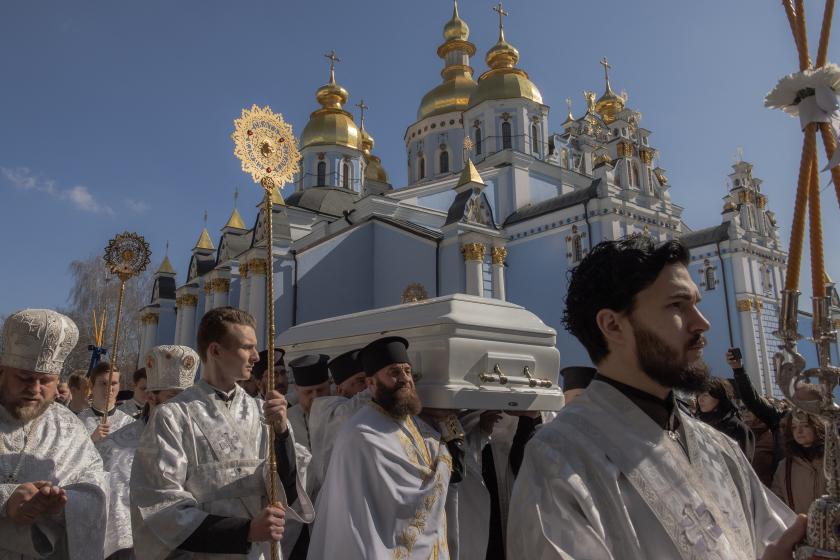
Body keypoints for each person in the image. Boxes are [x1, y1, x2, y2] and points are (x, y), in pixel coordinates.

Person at [507, 236, 801, 559]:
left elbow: (778, 541)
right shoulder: (558, 461)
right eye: (677, 305)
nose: (703, 323)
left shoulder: (719, 448)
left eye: (696, 303)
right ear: (613, 325)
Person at [130, 306, 313, 559]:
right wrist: (245, 531)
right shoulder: (173, 416)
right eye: (247, 347)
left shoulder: (264, 413)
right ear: (215, 350)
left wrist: (282, 434)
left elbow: (289, 489)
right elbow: (161, 505)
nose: (256, 357)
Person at [308, 336, 453, 559]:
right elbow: (367, 516)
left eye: (407, 371)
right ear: (371, 384)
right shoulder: (361, 435)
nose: (405, 379)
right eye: (394, 372)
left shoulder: (409, 421)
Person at [0, 308, 109, 559]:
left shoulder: (68, 428)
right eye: (25, 377)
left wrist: (59, 506)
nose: (35, 389)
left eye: (46, 380)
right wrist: (7, 499)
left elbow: (95, 488)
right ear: (2, 371)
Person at [100, 344, 199, 558]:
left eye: (188, 397)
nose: (184, 405)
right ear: (151, 398)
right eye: (175, 396)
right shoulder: (116, 446)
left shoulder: (198, 441)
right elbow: (115, 512)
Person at [772, 411, 827, 515]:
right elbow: (777, 502)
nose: (799, 431)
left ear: (818, 426)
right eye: (794, 427)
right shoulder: (785, 466)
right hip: (800, 528)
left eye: (805, 426)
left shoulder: (833, 460)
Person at [77, 362, 134, 447]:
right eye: (103, 383)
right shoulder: (78, 421)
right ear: (92, 386)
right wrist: (91, 439)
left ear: (119, 386)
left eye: (114, 383)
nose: (109, 389)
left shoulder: (129, 423)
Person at [696, 377, 755, 459]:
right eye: (699, 394)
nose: (700, 399)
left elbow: (743, 466)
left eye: (705, 395)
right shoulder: (696, 422)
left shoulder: (738, 428)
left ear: (720, 398)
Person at [286, 354, 331, 451]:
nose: (315, 397)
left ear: (329, 386)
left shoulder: (341, 413)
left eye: (320, 390)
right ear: (297, 390)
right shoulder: (287, 421)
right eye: (308, 392)